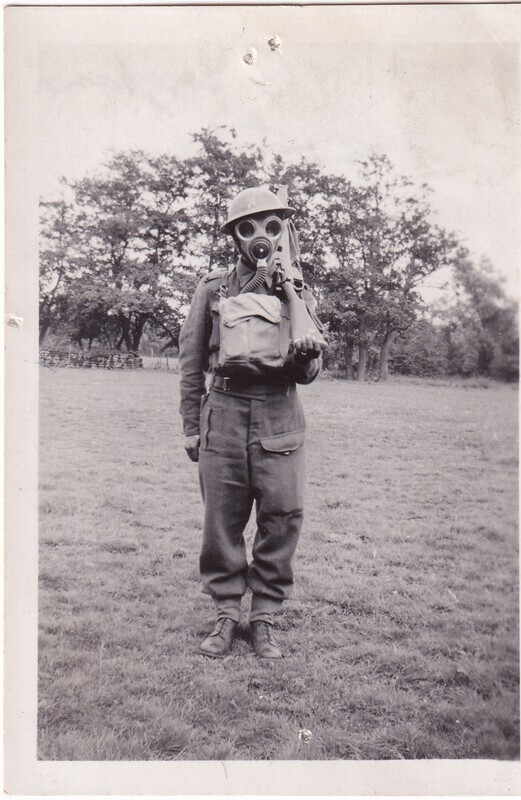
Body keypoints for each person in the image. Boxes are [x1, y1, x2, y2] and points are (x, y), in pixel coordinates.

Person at [178, 186, 325, 659]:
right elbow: (190, 362)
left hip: (279, 414)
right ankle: (225, 613)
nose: (260, 235)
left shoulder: (299, 292)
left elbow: (310, 375)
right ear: (235, 237)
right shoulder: (212, 289)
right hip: (222, 414)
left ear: (283, 230)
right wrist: (189, 425)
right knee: (221, 520)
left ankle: (263, 618)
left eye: (271, 224)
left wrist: (305, 354)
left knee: (282, 519)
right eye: (248, 227)